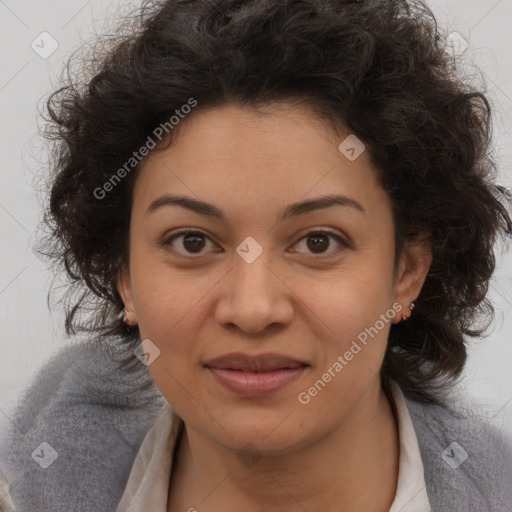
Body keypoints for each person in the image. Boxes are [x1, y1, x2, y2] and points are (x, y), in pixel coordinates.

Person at [1, 0, 512, 510]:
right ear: (124, 275)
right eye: (192, 241)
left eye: (318, 242)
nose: (251, 310)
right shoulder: (27, 478)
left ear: (407, 272)